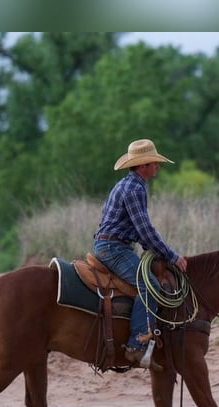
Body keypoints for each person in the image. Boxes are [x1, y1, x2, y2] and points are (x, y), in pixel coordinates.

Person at [93, 139, 188, 370]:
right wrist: (172, 256)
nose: (157, 166)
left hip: (109, 245)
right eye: (154, 162)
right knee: (150, 286)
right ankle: (137, 345)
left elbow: (139, 231)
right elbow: (145, 230)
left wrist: (155, 250)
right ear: (143, 165)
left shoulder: (125, 185)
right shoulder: (135, 189)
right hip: (114, 249)